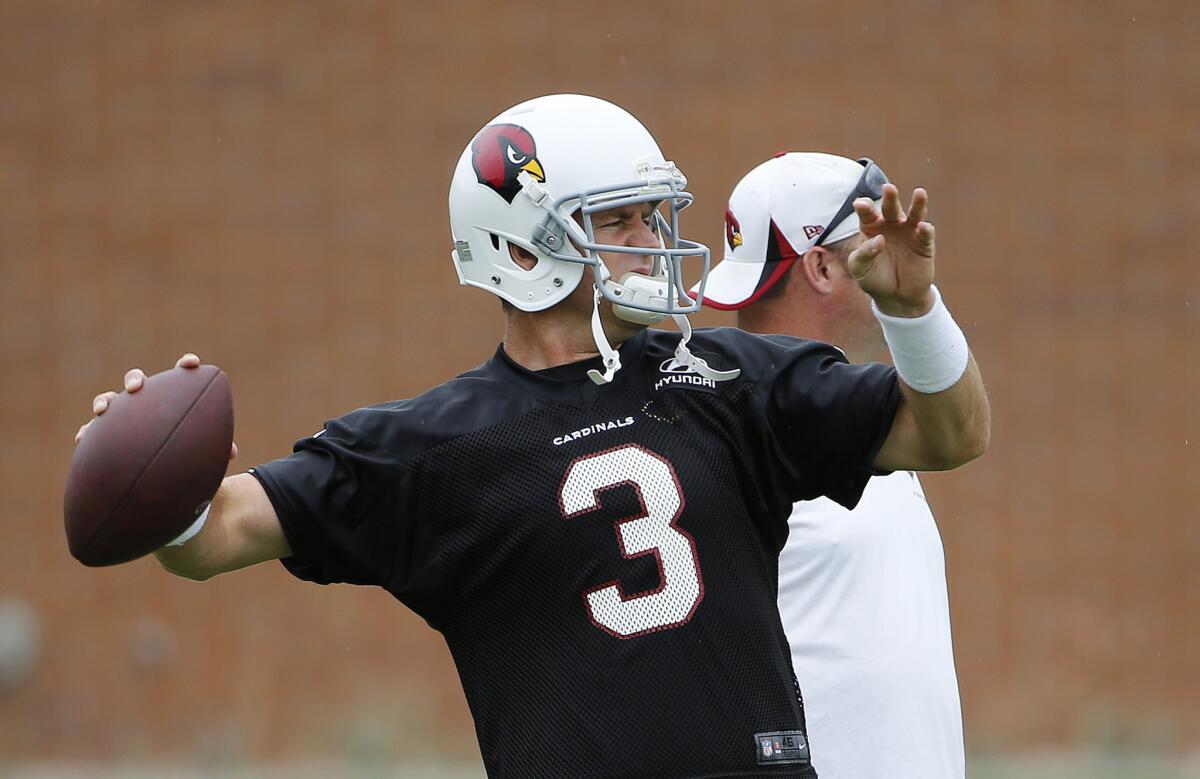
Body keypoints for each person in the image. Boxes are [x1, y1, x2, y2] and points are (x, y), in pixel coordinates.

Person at [76, 95, 989, 779]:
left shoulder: (726, 380)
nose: (652, 239)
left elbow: (950, 433)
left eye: (650, 214)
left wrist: (912, 309)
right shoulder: (436, 443)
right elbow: (210, 538)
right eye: (620, 220)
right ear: (522, 248)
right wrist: (153, 469)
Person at [695, 152, 969, 778]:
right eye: (874, 241)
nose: (898, 256)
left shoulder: (849, 413)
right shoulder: (744, 425)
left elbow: (958, 426)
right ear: (820, 265)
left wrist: (914, 310)